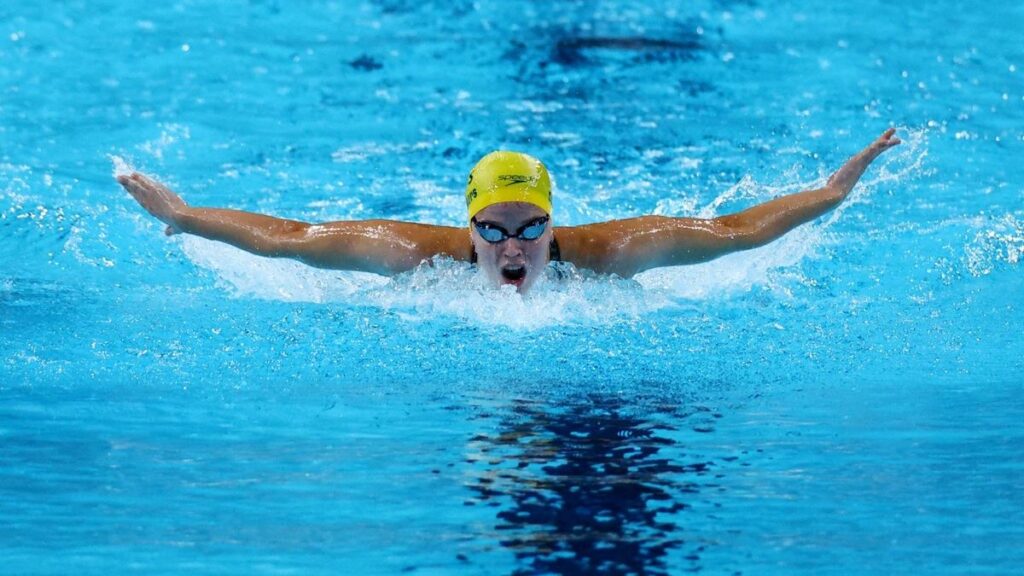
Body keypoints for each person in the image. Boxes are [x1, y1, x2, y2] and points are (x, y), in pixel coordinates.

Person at [118, 129, 901, 294]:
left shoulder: (607, 253)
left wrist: (831, 195)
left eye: (531, 228)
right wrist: (186, 216)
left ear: (554, 227)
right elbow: (290, 239)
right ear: (469, 230)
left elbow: (733, 234)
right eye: (492, 230)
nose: (512, 247)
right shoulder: (411, 253)